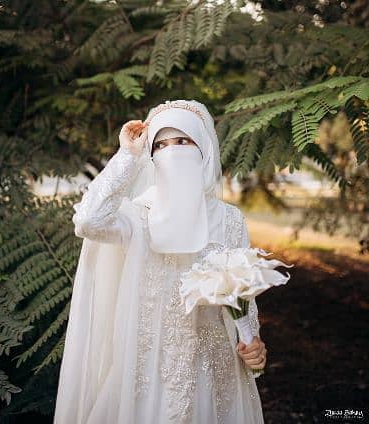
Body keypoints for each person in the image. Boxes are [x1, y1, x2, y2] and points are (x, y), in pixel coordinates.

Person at [53, 99, 267, 424]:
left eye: (183, 141)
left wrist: (252, 344)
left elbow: (243, 298)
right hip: (146, 370)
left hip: (214, 371)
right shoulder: (137, 215)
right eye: (161, 145)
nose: (172, 151)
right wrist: (128, 155)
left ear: (204, 148)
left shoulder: (230, 220)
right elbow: (88, 221)